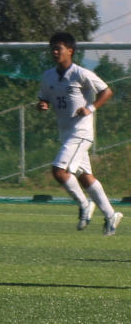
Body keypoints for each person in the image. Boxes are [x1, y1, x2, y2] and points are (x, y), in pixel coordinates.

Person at [39, 32, 119, 234]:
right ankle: (111, 215)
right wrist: (43, 105)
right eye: (52, 48)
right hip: (65, 133)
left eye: (59, 48)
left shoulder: (81, 73)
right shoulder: (48, 75)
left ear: (70, 51)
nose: (55, 52)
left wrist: (90, 108)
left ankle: (84, 204)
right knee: (85, 177)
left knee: (59, 171)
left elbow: (106, 91)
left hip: (81, 132)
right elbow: (44, 98)